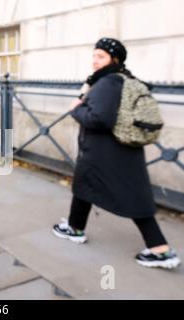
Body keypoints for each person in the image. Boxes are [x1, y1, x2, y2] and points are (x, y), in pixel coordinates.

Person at [52, 38, 181, 269]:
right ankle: (75, 227)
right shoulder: (122, 79)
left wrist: (76, 110)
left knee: (113, 193)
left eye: (100, 56)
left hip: (103, 152)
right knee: (90, 188)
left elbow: (99, 119)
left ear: (115, 59)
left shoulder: (108, 83)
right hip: (122, 151)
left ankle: (160, 250)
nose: (94, 60)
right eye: (94, 55)